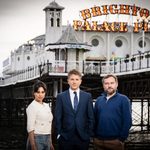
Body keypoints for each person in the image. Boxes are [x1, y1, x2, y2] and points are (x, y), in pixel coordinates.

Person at [55, 69, 95, 150]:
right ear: (68, 81)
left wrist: (89, 134)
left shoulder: (87, 96)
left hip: (83, 137)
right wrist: (59, 133)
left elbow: (91, 116)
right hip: (65, 137)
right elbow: (57, 117)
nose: (74, 82)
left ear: (80, 81)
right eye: (72, 79)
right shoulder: (61, 96)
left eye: (77, 79)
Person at [94, 74, 132, 150]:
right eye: (106, 83)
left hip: (115, 141)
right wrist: (94, 135)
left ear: (116, 84)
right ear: (103, 85)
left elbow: (127, 121)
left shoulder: (124, 99)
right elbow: (94, 119)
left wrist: (121, 139)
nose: (109, 85)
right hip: (98, 141)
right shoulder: (99, 100)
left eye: (112, 83)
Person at [26, 80, 54, 150]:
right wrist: (33, 145)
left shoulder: (47, 106)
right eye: (38, 92)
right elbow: (30, 128)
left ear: (45, 93)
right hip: (36, 138)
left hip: (47, 138)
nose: (40, 95)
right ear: (34, 93)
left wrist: (50, 143)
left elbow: (49, 124)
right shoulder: (32, 107)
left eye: (42, 92)